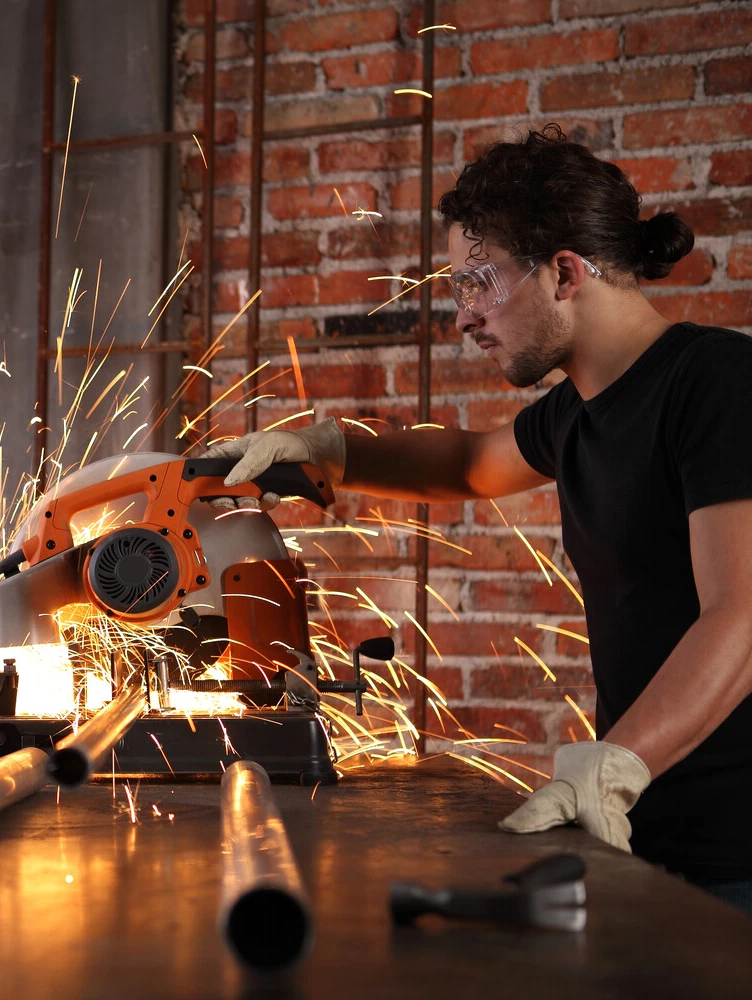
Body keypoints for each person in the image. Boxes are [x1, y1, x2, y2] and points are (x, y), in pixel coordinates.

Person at [207, 124, 752, 914]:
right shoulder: (576, 413)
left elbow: (740, 613)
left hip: (736, 852)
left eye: (479, 281)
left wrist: (613, 763)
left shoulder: (718, 386)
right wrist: (334, 448)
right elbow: (468, 463)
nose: (464, 315)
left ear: (564, 272)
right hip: (643, 829)